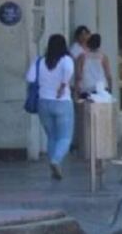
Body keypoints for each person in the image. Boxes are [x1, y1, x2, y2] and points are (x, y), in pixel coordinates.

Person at [26, 34, 74, 180]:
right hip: (62, 102)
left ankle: (53, 167)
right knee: (65, 137)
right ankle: (56, 160)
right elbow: (68, 70)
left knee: (51, 137)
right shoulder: (66, 59)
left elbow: (30, 78)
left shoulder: (39, 61)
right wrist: (63, 85)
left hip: (43, 103)